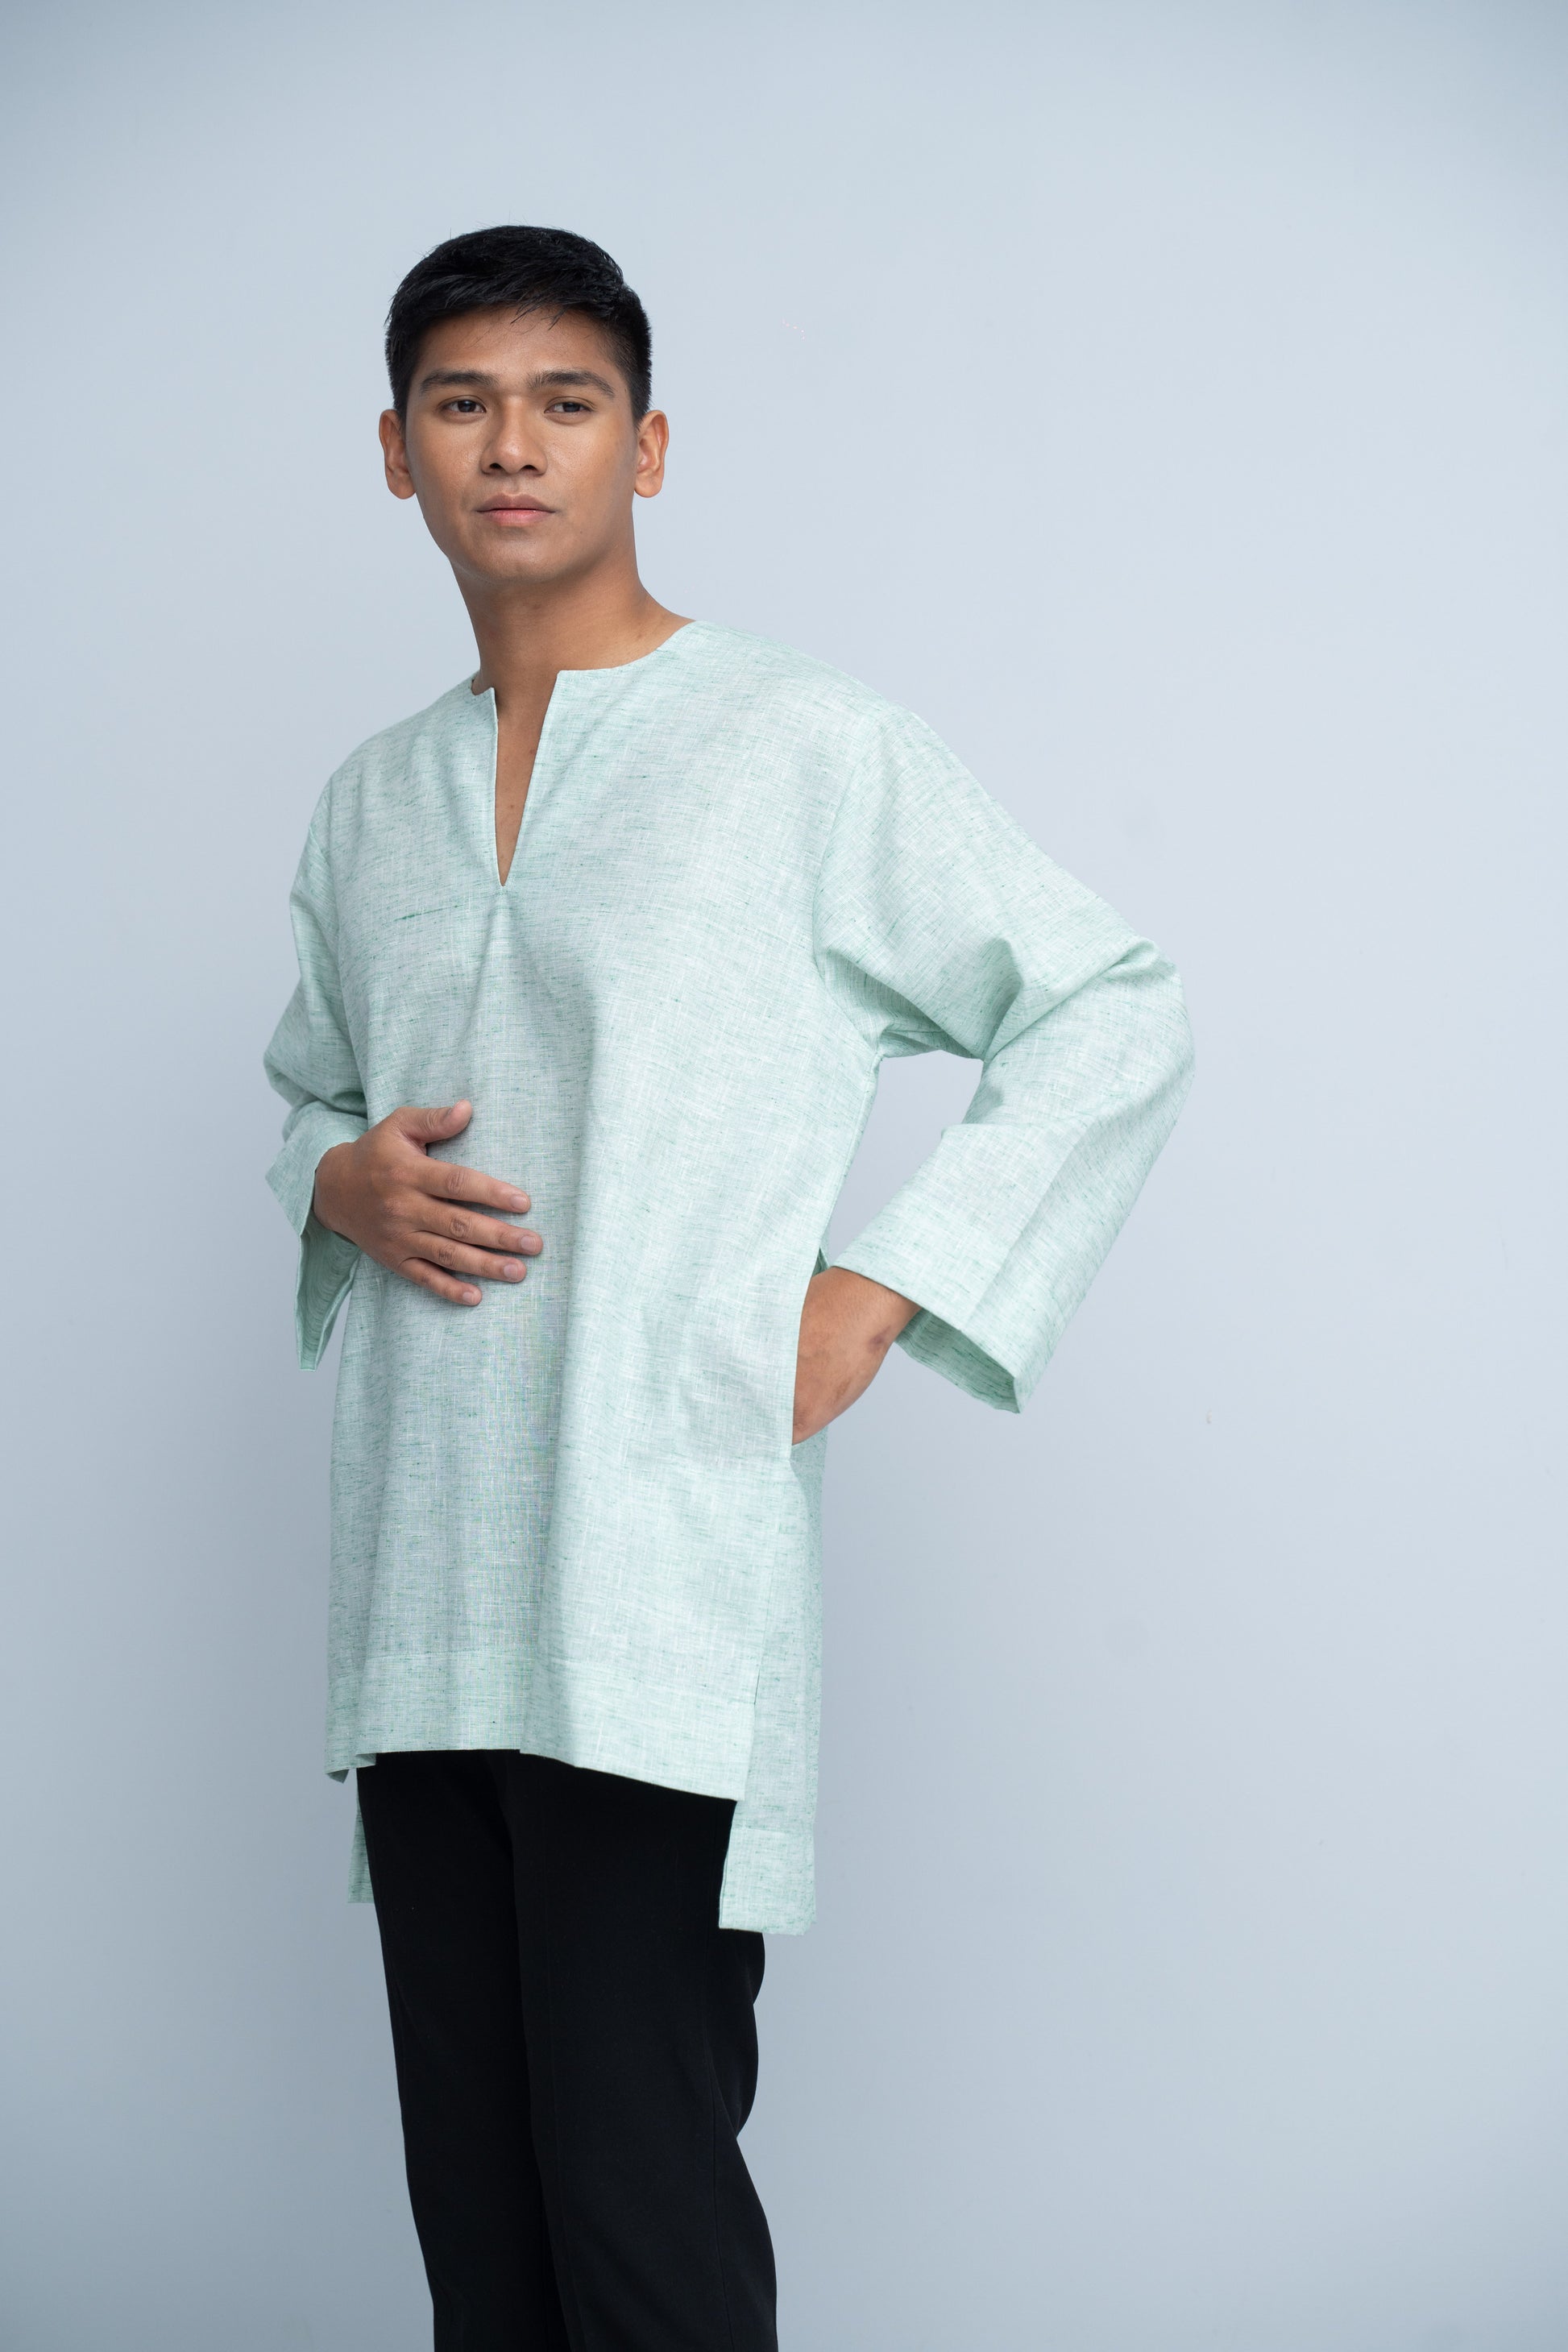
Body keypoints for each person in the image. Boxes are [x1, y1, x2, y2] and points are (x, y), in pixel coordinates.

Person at [263, 224, 1193, 2352]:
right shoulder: (369, 805)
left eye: (565, 402)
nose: (514, 446)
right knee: (482, 2242)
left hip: (654, 1584)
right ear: (396, 454)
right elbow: (307, 1090)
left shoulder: (798, 748)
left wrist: (882, 1289)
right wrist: (332, 1180)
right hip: (421, 1595)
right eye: (463, 404)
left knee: (641, 2227)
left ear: (649, 445)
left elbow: (1105, 1005)